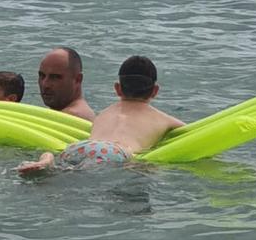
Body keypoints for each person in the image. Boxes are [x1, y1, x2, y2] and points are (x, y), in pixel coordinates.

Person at [19, 55, 184, 175]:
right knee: (150, 170)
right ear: (155, 91)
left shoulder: (104, 113)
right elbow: (189, 133)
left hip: (79, 147)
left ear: (117, 88)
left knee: (67, 167)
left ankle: (47, 159)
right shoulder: (161, 118)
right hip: (117, 153)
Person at [37, 47, 94, 120]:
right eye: (42, 76)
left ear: (77, 79)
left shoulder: (72, 116)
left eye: (55, 77)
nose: (45, 84)